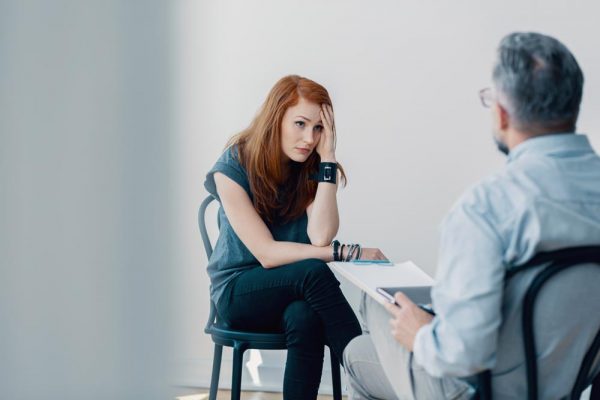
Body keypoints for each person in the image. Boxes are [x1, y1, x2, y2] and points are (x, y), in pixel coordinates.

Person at [343, 32, 600, 399]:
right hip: (561, 385)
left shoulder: (488, 206)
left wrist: (422, 334)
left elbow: (461, 354)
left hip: (479, 390)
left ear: (501, 112)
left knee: (372, 315)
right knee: (364, 351)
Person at [204, 75, 386, 399]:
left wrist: (328, 158)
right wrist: (345, 252)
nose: (309, 137)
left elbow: (320, 237)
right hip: (238, 292)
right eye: (300, 123)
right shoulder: (234, 164)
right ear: (277, 119)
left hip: (290, 293)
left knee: (305, 316)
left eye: (318, 128)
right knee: (315, 272)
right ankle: (375, 378)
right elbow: (267, 253)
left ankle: (371, 378)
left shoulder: (312, 165)